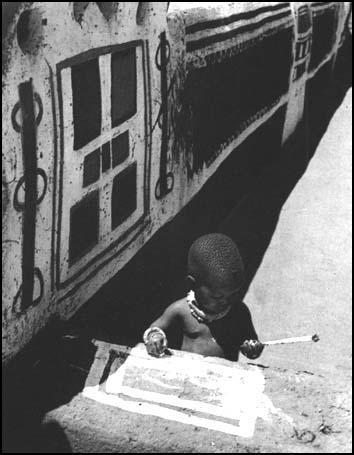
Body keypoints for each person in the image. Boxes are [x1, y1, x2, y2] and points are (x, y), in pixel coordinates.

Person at [143, 233, 264, 361]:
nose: (226, 301)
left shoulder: (239, 312)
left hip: (225, 376)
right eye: (217, 296)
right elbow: (154, 329)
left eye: (233, 294)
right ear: (192, 284)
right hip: (188, 373)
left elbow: (251, 342)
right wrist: (154, 338)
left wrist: (252, 349)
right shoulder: (181, 310)